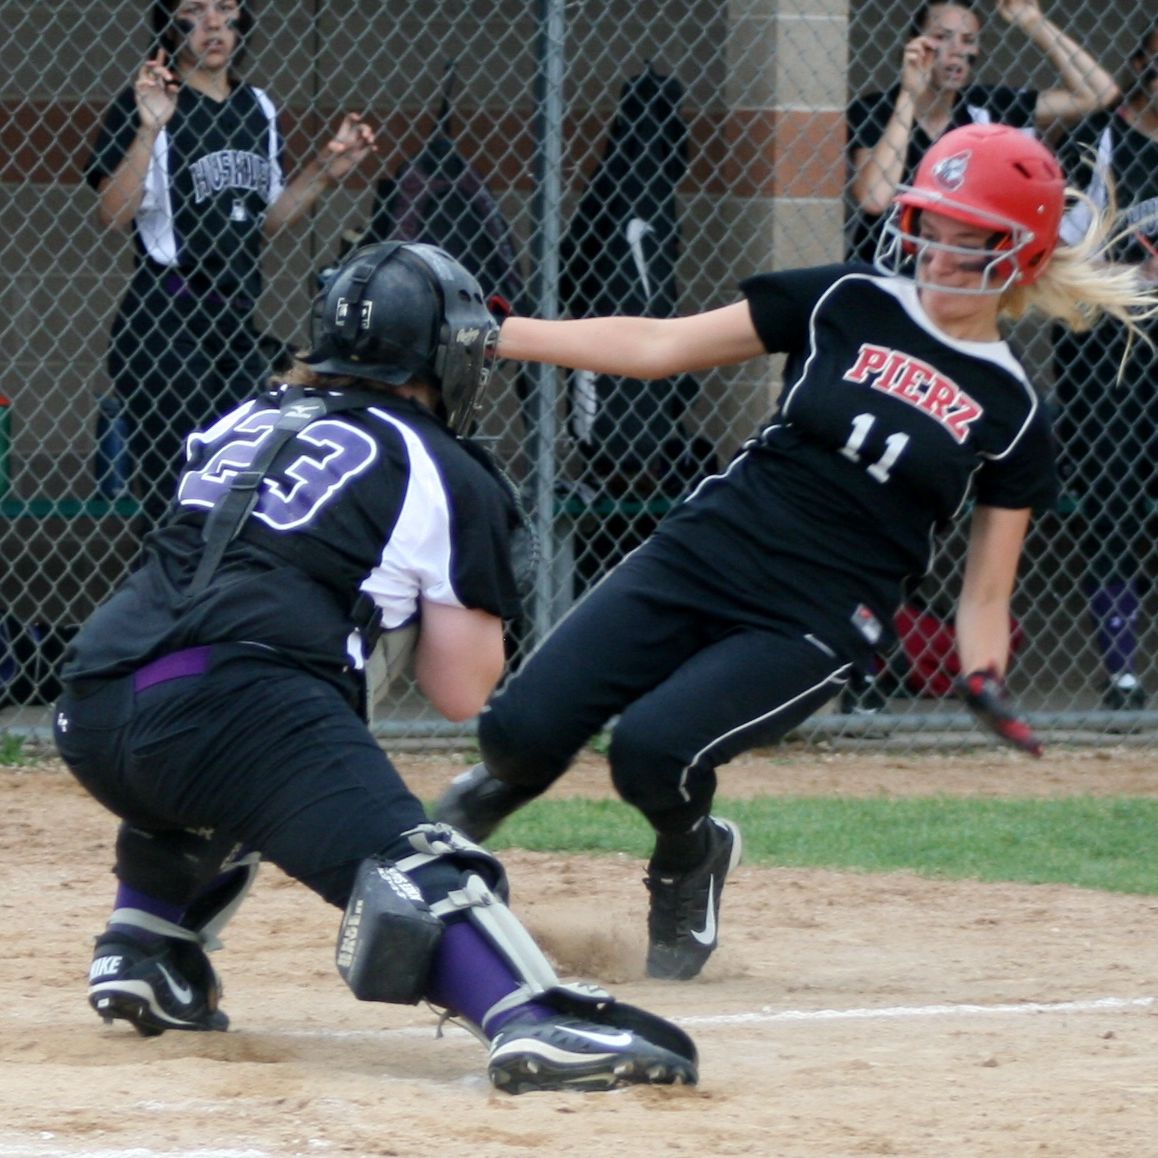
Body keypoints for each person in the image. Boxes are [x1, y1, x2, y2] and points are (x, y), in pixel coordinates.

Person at [435, 124, 1158, 983]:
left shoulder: (1012, 407)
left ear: (1023, 257)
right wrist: (497, 336)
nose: (940, 253)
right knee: (519, 732)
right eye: (932, 226)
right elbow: (660, 347)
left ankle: (690, 856)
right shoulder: (844, 298)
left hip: (818, 614)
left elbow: (985, 591)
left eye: (972, 242)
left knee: (652, 753)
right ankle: (489, 798)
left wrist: (983, 678)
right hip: (708, 547)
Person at [51, 241, 698, 1095]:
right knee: (414, 866)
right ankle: (525, 1015)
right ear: (446, 354)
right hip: (242, 706)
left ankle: (148, 948)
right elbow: (460, 689)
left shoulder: (243, 417)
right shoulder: (443, 464)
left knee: (212, 777)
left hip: (94, 701)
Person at [85, 0, 377, 528]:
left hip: (234, 320)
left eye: (224, 8)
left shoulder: (257, 107)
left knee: (240, 480)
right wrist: (150, 127)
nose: (213, 23)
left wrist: (326, 170)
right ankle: (172, 598)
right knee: (179, 492)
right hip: (165, 318)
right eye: (194, 11)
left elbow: (264, 218)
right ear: (170, 27)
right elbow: (114, 212)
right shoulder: (152, 101)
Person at [1051, 25, 1158, 711]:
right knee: (1115, 498)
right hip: (1110, 354)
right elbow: (1058, 255)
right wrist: (1127, 273)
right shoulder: (1103, 139)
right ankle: (1121, 669)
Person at [846, 0, 1119, 264]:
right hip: (881, 262)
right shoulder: (876, 109)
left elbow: (1099, 93)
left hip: (956, 271)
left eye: (968, 40)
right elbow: (875, 198)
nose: (956, 50)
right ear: (915, 43)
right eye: (942, 37)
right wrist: (909, 94)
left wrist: (1034, 22)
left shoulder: (984, 107)